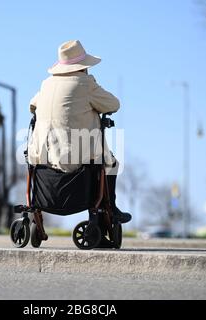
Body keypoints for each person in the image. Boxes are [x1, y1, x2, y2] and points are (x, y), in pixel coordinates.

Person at [28, 40, 131, 224]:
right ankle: (110, 208)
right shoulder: (85, 83)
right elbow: (113, 104)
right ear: (84, 67)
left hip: (43, 159)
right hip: (78, 161)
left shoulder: (46, 85)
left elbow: (32, 105)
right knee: (112, 163)